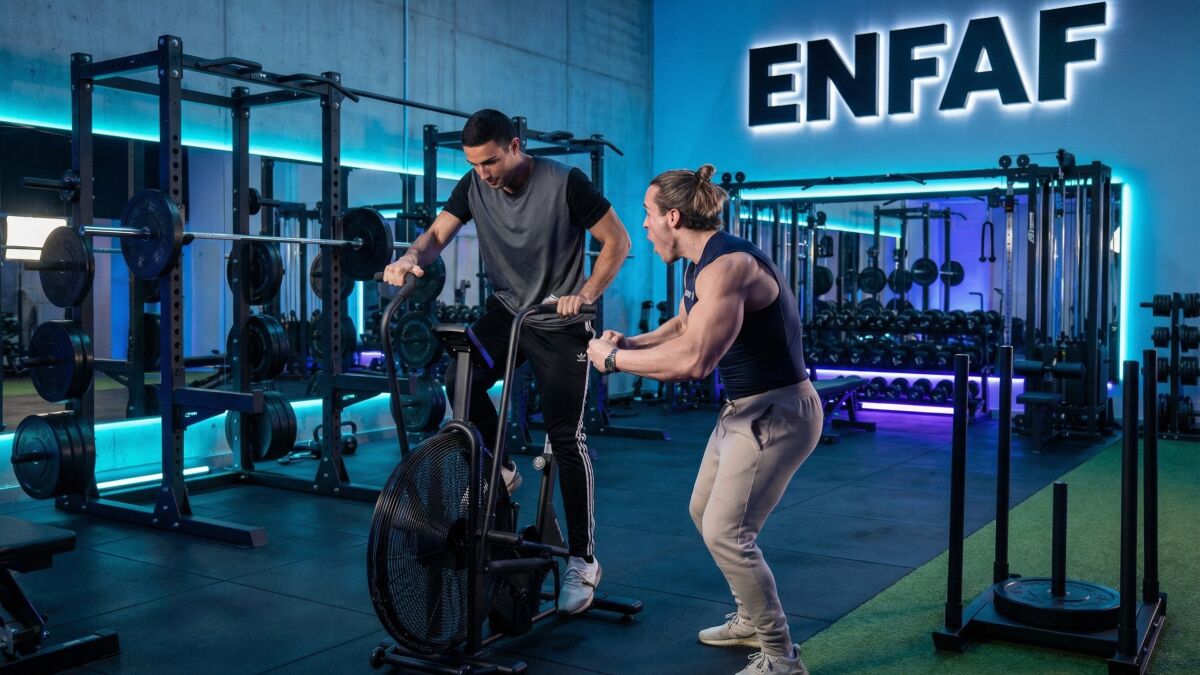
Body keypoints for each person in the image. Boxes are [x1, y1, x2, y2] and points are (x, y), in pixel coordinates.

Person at [381, 109, 631, 614]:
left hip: (558, 319)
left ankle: (583, 560)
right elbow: (436, 236)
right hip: (508, 311)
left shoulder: (566, 183)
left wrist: (585, 294)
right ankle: (502, 470)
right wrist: (410, 257)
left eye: (491, 161)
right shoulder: (473, 185)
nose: (484, 173)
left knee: (565, 439)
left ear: (515, 145)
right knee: (460, 378)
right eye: (475, 164)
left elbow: (617, 241)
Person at [586, 165, 820, 675]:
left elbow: (695, 361)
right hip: (744, 410)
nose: (643, 226)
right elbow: (685, 324)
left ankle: (781, 657)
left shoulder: (728, 266)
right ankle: (750, 619)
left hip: (777, 411)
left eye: (647, 214)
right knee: (703, 512)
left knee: (727, 532)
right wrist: (632, 342)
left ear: (673, 217)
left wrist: (614, 361)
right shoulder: (702, 264)